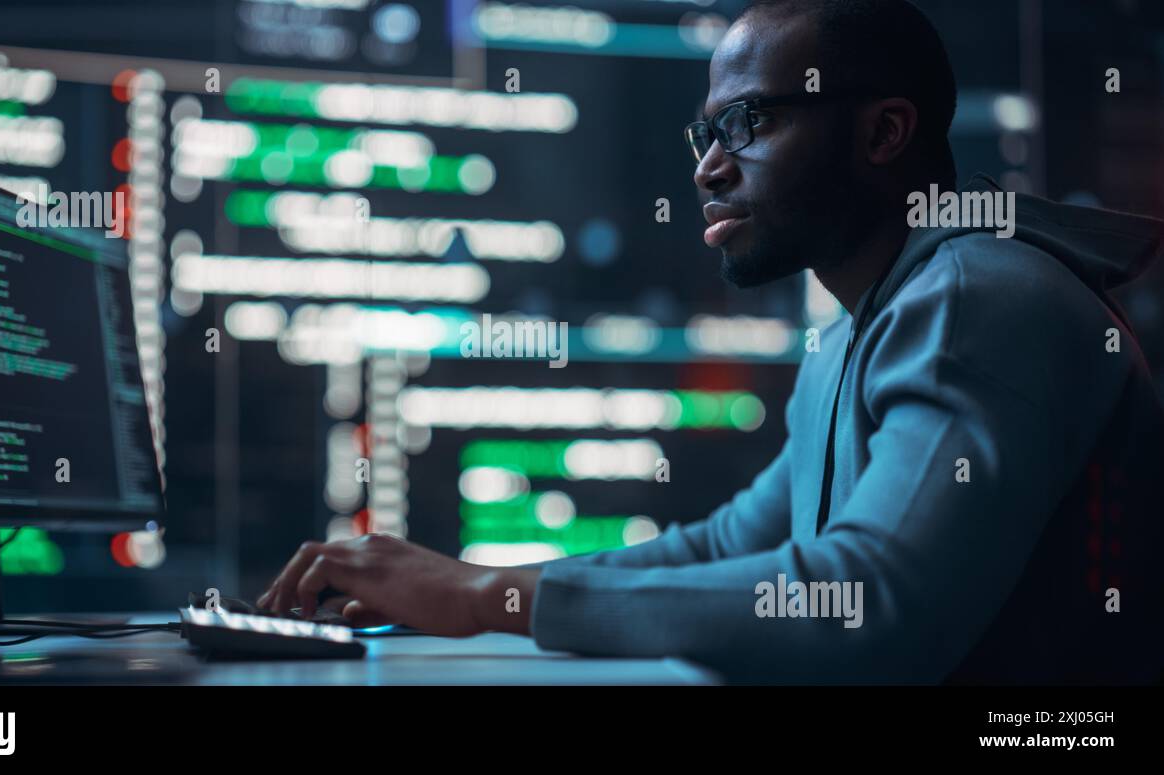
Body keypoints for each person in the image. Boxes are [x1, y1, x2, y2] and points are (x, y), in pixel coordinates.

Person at [260, 0, 1164, 683]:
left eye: (751, 122)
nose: (708, 166)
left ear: (885, 132)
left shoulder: (974, 296)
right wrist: (464, 584)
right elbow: (726, 546)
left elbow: (872, 599)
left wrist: (476, 600)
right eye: (706, 131)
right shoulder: (865, 328)